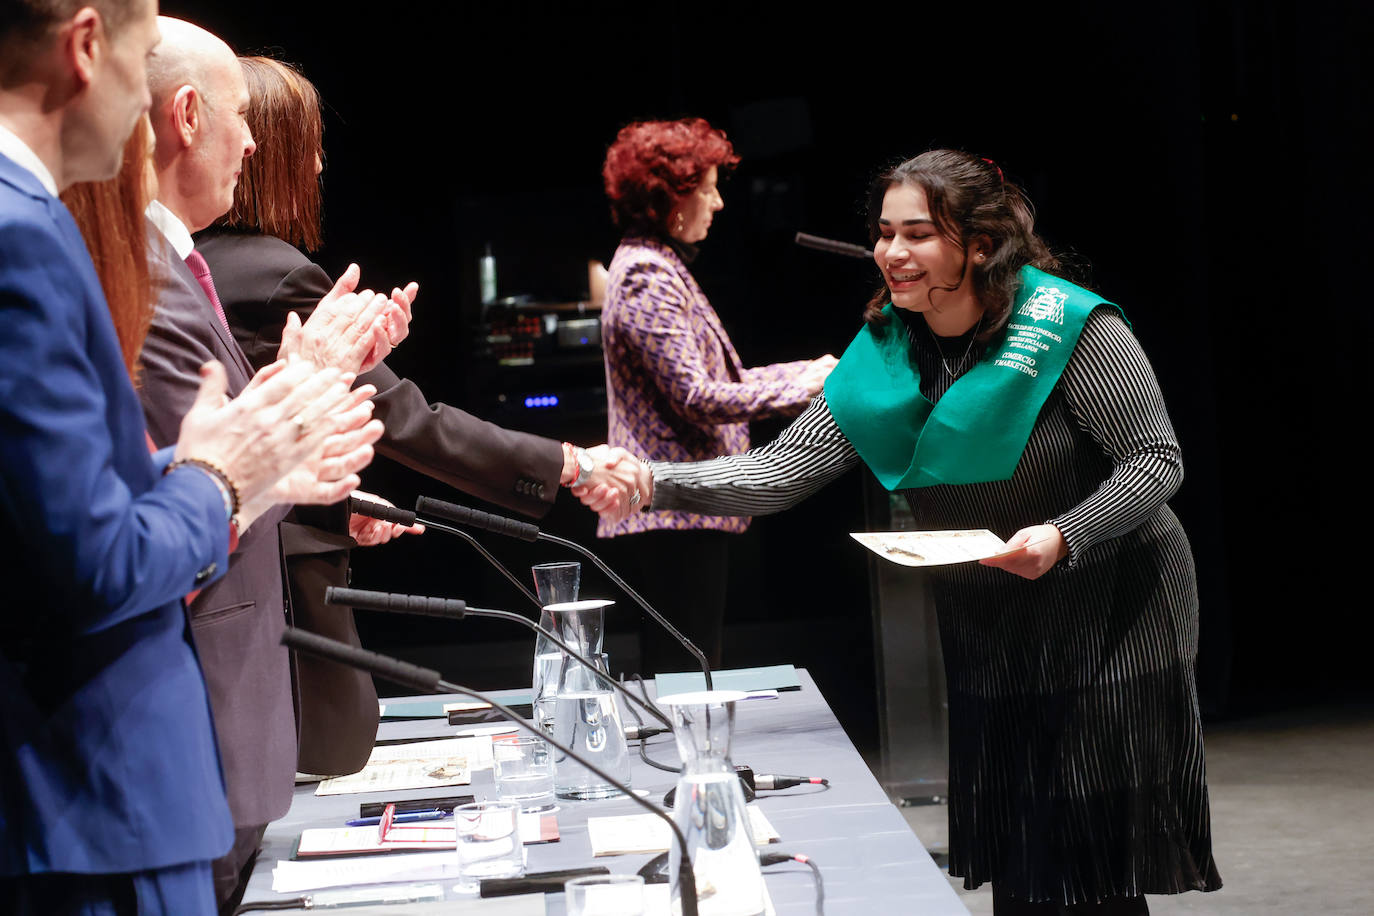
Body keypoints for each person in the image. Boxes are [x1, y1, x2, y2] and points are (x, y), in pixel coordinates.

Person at [583, 150, 1222, 914]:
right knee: (1028, 846)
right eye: (885, 233)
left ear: (979, 244)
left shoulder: (1073, 326)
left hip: (1108, 595)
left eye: (917, 234)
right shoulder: (889, 346)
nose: (891, 252)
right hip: (994, 601)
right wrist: (653, 481)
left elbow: (1154, 461)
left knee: (1086, 845)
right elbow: (783, 471)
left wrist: (1063, 533)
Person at [0, 1, 379, 911]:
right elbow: (95, 561)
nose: (146, 107)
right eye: (141, 68)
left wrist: (242, 470)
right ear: (89, 47)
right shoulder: (20, 235)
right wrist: (222, 480)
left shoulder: (36, 224)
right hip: (98, 798)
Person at [193, 54, 641, 773]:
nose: (318, 163)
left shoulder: (211, 264)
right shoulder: (269, 271)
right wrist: (568, 461)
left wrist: (334, 501)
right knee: (318, 761)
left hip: (243, 559)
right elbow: (409, 419)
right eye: (307, 141)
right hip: (259, 589)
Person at [138, 20, 409, 911]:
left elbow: (211, 471)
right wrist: (309, 384)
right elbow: (161, 500)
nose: (253, 142)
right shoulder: (127, 267)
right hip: (188, 726)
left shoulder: (179, 260)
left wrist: (304, 472)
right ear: (185, 115)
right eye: (241, 117)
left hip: (226, 730)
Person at [596, 117, 836, 672]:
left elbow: (715, 382)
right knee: (685, 667)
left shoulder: (658, 265)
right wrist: (801, 386)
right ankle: (692, 760)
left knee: (693, 661)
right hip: (670, 504)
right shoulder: (646, 275)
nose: (718, 203)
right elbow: (697, 397)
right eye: (707, 189)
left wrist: (808, 369)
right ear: (670, 198)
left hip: (681, 504)